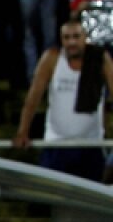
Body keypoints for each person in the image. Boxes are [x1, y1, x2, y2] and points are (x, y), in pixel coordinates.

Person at [14, 20, 113, 183]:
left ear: (85, 38)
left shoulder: (100, 59)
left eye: (76, 36)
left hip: (91, 144)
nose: (71, 42)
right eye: (66, 38)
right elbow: (33, 98)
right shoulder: (52, 58)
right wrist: (22, 131)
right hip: (56, 143)